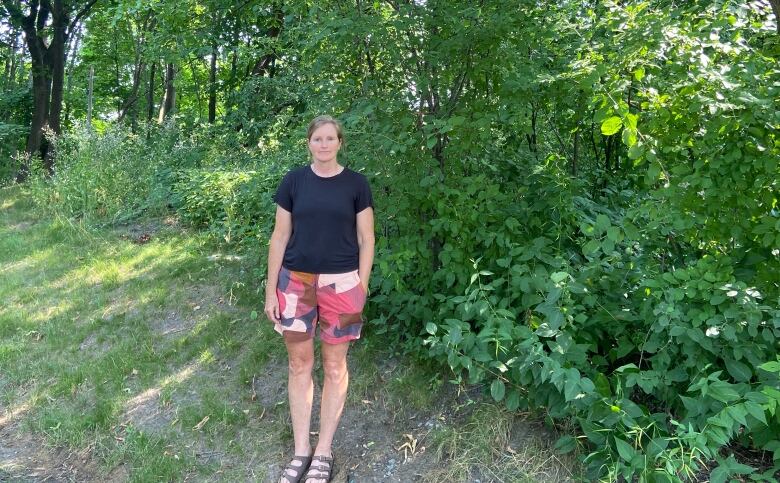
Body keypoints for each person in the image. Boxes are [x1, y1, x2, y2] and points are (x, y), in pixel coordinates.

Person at [264, 115, 374, 483]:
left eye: (330, 138)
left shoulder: (356, 184)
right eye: (317, 139)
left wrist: (362, 284)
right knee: (299, 364)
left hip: (343, 285)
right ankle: (301, 451)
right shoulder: (293, 181)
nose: (324, 144)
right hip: (294, 283)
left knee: (334, 366)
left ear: (340, 142)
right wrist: (270, 290)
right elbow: (279, 237)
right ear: (308, 142)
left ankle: (323, 450)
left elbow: (367, 240)